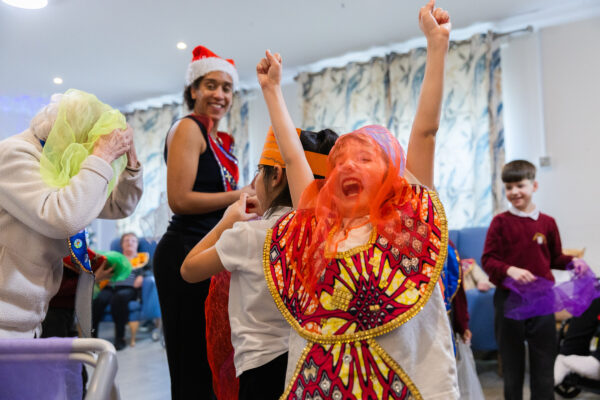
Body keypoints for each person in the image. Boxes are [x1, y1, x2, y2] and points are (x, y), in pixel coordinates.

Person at [257, 1, 458, 398]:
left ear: (391, 174)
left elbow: (425, 133)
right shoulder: (315, 223)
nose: (348, 166)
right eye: (338, 162)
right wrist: (271, 91)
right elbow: (294, 155)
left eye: (364, 158)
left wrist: (437, 47)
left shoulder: (408, 215)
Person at [180, 126, 337, 399]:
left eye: (258, 170)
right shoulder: (328, 236)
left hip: (262, 368)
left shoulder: (249, 235)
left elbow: (189, 269)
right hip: (313, 364)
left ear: (275, 175)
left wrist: (226, 222)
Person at [153, 45, 254, 399]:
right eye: (211, 85)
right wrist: (241, 196)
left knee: (213, 357)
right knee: (192, 360)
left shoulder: (218, 139)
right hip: (184, 249)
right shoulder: (188, 128)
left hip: (209, 248)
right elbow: (180, 200)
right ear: (193, 89)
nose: (220, 95)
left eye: (227, 88)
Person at [0, 89, 143, 339]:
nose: (90, 152)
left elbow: (117, 206)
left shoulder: (57, 162)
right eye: (89, 142)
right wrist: (102, 156)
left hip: (29, 318)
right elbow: (63, 218)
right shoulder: (14, 154)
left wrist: (131, 165)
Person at [482, 159, 584, 399]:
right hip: (509, 302)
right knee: (512, 366)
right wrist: (510, 270)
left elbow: (555, 257)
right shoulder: (499, 223)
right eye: (509, 187)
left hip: (542, 302)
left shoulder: (547, 223)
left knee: (543, 365)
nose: (514, 192)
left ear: (534, 186)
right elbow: (488, 260)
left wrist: (573, 263)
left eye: (520, 185)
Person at [92, 232, 150, 350]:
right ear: (121, 244)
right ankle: (93, 339)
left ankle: (120, 338)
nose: (130, 242)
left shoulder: (142, 259)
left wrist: (142, 276)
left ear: (137, 245)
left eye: (133, 240)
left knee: (119, 298)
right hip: (110, 287)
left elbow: (150, 271)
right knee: (98, 299)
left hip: (128, 289)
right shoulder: (115, 258)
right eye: (126, 240)